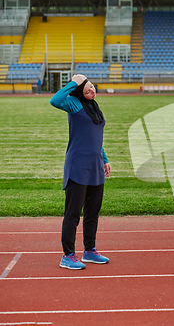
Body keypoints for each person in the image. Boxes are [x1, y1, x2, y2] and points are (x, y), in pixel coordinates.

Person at [50, 74, 111, 270]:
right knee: (73, 213)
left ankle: (89, 250)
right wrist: (74, 83)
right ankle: (67, 255)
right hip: (78, 166)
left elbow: (95, 137)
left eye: (92, 87)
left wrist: (104, 158)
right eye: (86, 90)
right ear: (79, 92)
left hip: (95, 166)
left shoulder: (94, 106)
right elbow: (55, 100)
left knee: (92, 212)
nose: (92, 91)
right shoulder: (75, 103)